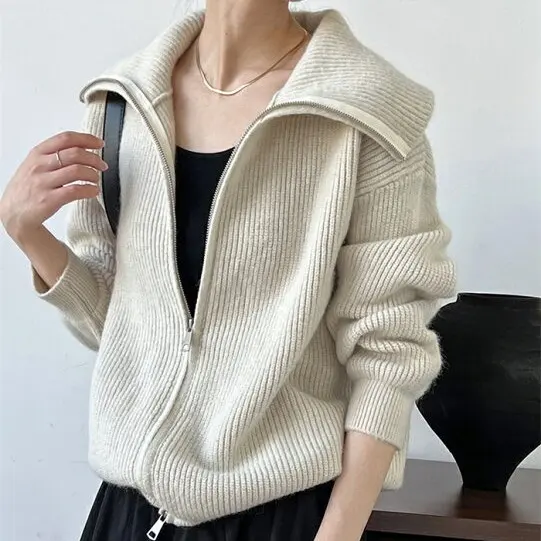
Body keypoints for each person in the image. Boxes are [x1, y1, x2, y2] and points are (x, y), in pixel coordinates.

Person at [0, 0, 457, 540]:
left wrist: (337, 535)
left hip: (279, 514)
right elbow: (119, 329)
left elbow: (388, 354)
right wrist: (27, 233)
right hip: (129, 513)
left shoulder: (367, 114)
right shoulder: (122, 103)